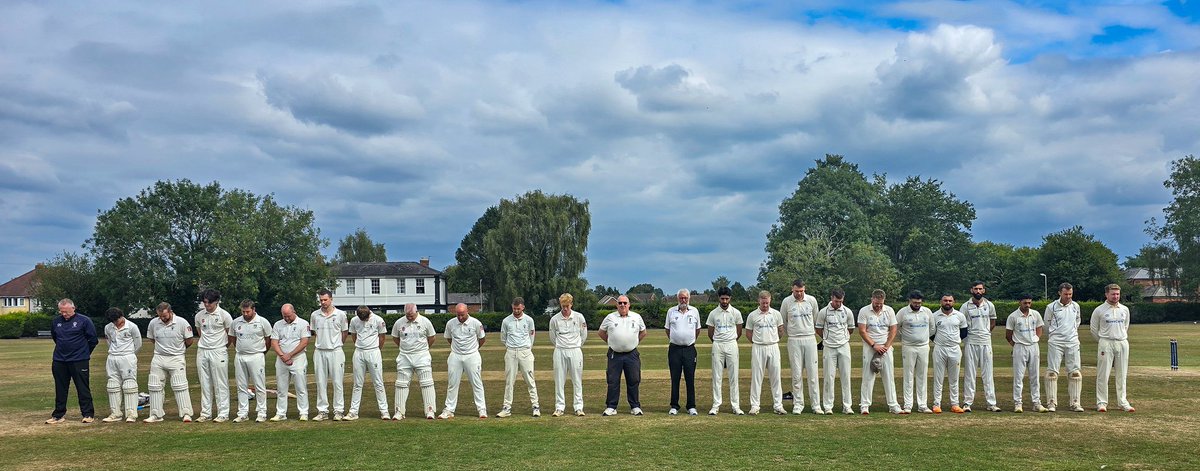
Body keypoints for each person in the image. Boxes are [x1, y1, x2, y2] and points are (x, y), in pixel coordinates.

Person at [47, 298, 98, 424]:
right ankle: (58, 415)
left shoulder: (84, 321)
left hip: (79, 360)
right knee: (60, 388)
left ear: (73, 308)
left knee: (82, 387)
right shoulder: (56, 322)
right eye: (62, 311)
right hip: (59, 360)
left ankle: (88, 414)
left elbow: (93, 340)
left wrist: (84, 353)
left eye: (66, 311)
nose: (64, 314)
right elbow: (55, 337)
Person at [143, 302, 195, 423]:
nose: (162, 318)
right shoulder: (154, 323)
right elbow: (151, 338)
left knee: (180, 385)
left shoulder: (181, 322)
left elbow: (189, 340)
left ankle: (186, 413)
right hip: (159, 357)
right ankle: (156, 414)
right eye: (160, 316)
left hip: (176, 357)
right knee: (154, 385)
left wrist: (178, 350)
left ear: (170, 312)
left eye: (165, 316)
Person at [599, 295, 647, 416]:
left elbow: (643, 332)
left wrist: (633, 343)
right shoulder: (610, 317)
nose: (622, 305)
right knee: (613, 381)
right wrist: (612, 343)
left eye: (625, 303)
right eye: (620, 303)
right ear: (617, 305)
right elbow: (601, 332)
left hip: (632, 355)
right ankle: (611, 406)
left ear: (629, 304)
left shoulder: (637, 317)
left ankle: (635, 406)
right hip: (615, 355)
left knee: (634, 380)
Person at [439, 303, 487, 419]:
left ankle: (482, 409)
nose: (460, 318)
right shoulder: (451, 323)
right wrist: (457, 349)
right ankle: (449, 409)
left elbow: (482, 339)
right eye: (458, 315)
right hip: (455, 356)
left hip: (472, 356)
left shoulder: (476, 323)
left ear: (467, 312)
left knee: (476, 383)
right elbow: (449, 338)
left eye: (462, 315)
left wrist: (472, 350)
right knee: (452, 383)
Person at [1091, 283, 1134, 412]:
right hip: (1106, 342)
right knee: (1103, 374)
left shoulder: (1124, 309)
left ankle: (1123, 402)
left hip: (1122, 342)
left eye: (1117, 294)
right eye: (1113, 294)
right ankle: (1102, 402)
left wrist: (1119, 336)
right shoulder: (1099, 310)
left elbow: (1126, 326)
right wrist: (1103, 341)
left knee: (1122, 373)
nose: (1115, 296)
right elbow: (1093, 329)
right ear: (1106, 294)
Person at [782, 279, 822, 415]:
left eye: (801, 291)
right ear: (792, 289)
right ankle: (798, 404)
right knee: (796, 373)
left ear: (805, 289)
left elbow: (816, 319)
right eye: (796, 291)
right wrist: (793, 334)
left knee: (813, 374)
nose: (799, 294)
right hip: (794, 340)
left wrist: (808, 332)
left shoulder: (811, 300)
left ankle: (816, 405)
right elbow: (784, 322)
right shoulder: (786, 302)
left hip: (810, 338)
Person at [230, 300, 273, 423]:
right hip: (240, 356)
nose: (245, 314)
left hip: (256, 356)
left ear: (253, 310)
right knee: (241, 386)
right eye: (243, 311)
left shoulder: (262, 322)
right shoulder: (236, 322)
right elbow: (233, 338)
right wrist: (241, 349)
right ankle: (243, 413)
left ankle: (262, 412)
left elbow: (268, 339)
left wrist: (261, 352)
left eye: (248, 311)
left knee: (259, 385)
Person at [392, 303, 437, 420]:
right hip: (404, 356)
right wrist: (405, 349)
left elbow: (432, 337)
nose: (409, 317)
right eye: (407, 315)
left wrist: (423, 349)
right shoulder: (399, 322)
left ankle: (430, 410)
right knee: (401, 384)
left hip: (422, 355)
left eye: (411, 315)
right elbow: (395, 338)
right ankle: (399, 411)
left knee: (427, 382)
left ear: (416, 312)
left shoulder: (425, 321)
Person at [1044, 282, 1085, 412]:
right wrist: (1055, 334)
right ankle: (1051, 403)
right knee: (1052, 373)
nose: (1068, 296)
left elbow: (1077, 321)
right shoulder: (1051, 307)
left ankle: (1075, 403)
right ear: (1059, 293)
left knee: (1075, 373)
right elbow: (1046, 324)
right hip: (1056, 342)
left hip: (1072, 342)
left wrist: (1071, 332)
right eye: (1066, 294)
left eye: (1070, 294)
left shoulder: (1076, 306)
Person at [194, 289, 233, 423]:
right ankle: (206, 413)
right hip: (203, 350)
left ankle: (223, 413)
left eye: (209, 303)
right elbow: (200, 332)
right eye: (205, 302)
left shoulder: (224, 315)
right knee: (205, 383)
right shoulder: (199, 316)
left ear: (216, 301)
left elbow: (230, 335)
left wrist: (221, 347)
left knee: (220, 383)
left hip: (219, 350)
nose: (207, 305)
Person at [858, 289, 900, 415]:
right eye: (876, 303)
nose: (878, 306)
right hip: (870, 347)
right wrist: (874, 345)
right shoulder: (864, 311)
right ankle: (864, 405)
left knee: (889, 376)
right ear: (872, 299)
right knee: (868, 376)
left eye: (881, 303)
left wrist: (886, 346)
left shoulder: (889, 310)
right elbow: (862, 331)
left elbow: (893, 330)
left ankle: (893, 405)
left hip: (886, 348)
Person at [497, 297, 541, 418]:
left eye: (518, 308)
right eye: (514, 308)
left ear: (523, 307)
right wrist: (511, 347)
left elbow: (531, 336)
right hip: (511, 352)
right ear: (512, 307)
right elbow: (503, 338)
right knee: (509, 381)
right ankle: (506, 408)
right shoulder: (506, 321)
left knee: (530, 380)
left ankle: (535, 406)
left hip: (525, 352)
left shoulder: (529, 320)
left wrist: (526, 348)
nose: (516, 311)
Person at [961, 281, 1001, 412]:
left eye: (980, 289)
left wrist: (985, 332)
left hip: (985, 342)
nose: (978, 291)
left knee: (988, 373)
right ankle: (967, 403)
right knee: (970, 373)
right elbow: (962, 324)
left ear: (983, 291)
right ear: (971, 290)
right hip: (971, 342)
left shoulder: (989, 305)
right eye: (976, 289)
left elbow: (993, 321)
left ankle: (991, 403)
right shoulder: (965, 306)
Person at [310, 288, 348, 421]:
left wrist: (336, 344)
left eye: (325, 300)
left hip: (336, 351)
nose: (323, 302)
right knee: (320, 382)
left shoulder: (341, 314)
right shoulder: (315, 315)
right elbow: (315, 333)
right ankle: (322, 411)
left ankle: (338, 411)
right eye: (321, 300)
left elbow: (344, 333)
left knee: (337, 382)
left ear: (331, 299)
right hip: (320, 351)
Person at [745, 291, 786, 415]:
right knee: (757, 377)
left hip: (773, 346)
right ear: (759, 301)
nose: (765, 305)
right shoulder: (752, 315)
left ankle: (778, 405)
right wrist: (758, 342)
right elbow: (748, 333)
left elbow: (780, 330)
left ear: (770, 300)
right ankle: (755, 406)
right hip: (758, 347)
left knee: (776, 377)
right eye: (763, 303)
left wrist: (773, 340)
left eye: (767, 302)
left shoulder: (776, 314)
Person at [815, 288, 856, 415]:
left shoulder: (847, 311)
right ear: (831, 298)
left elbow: (851, 328)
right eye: (836, 301)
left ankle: (847, 406)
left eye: (840, 301)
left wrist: (842, 339)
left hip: (844, 346)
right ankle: (828, 406)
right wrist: (827, 339)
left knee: (846, 376)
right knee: (829, 377)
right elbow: (818, 329)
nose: (838, 303)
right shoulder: (824, 312)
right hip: (829, 347)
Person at [705, 287, 744, 415]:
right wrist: (718, 341)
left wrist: (731, 340)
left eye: (727, 299)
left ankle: (736, 406)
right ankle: (716, 405)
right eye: (722, 299)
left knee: (734, 376)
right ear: (719, 298)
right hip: (718, 344)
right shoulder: (713, 313)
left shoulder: (736, 313)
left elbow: (739, 331)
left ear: (730, 298)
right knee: (717, 376)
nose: (725, 301)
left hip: (732, 344)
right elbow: (710, 332)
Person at [346, 306, 389, 420]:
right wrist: (361, 346)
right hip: (359, 352)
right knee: (357, 384)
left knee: (378, 383)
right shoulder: (355, 320)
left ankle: (384, 411)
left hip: (374, 352)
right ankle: (353, 412)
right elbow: (354, 336)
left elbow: (382, 337)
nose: (363, 320)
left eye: (364, 318)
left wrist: (375, 349)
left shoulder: (378, 320)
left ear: (369, 313)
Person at [1006, 295, 1047, 413]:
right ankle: (1018, 403)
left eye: (1029, 303)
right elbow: (1008, 335)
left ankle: (1036, 402)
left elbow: (1039, 328)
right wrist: (1016, 345)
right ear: (1020, 302)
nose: (1027, 305)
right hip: (1019, 347)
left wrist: (1036, 338)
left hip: (1034, 347)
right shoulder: (1013, 316)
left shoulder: (1035, 314)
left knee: (1035, 376)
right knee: (1018, 377)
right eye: (1025, 303)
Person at [548, 293, 587, 417]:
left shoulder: (579, 317)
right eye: (563, 306)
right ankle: (559, 407)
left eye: (567, 306)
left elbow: (583, 335)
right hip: (560, 350)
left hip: (575, 350)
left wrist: (576, 345)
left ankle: (578, 407)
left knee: (577, 380)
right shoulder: (554, 319)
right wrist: (561, 345)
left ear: (571, 304)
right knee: (559, 380)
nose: (565, 309)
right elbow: (552, 337)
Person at [270, 303, 310, 421]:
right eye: (284, 316)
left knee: (300, 387)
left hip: (298, 359)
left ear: (294, 312)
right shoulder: (278, 324)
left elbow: (304, 342)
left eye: (288, 316)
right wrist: (283, 355)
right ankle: (281, 413)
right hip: (282, 359)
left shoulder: (303, 323)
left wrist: (290, 355)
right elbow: (274, 342)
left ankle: (303, 412)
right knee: (281, 388)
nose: (286, 318)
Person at [102, 307, 141, 423]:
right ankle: (116, 414)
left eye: (116, 320)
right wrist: (115, 353)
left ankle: (131, 414)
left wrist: (129, 354)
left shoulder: (132, 326)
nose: (114, 323)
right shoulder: (108, 327)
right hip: (112, 357)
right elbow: (109, 342)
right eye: (112, 321)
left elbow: (138, 344)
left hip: (127, 357)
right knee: (112, 385)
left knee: (129, 384)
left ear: (121, 316)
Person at [665, 289, 701, 416]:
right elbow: (668, 330)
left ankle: (691, 406)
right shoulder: (671, 311)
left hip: (689, 350)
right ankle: (674, 406)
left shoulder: (694, 311)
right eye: (681, 298)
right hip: (674, 349)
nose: (683, 300)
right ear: (677, 299)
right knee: (675, 378)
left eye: (685, 298)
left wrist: (688, 340)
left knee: (690, 378)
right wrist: (677, 339)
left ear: (689, 298)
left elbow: (697, 330)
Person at [897, 290, 933, 415]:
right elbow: (896, 328)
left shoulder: (927, 312)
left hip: (923, 347)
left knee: (922, 375)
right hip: (908, 347)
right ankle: (908, 405)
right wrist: (904, 340)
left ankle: (922, 405)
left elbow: (932, 328)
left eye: (919, 303)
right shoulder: (903, 312)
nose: (917, 305)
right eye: (914, 302)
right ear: (909, 301)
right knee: (908, 375)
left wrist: (924, 339)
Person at [931, 293, 968, 414]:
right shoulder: (935, 316)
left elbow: (963, 332)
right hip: (939, 349)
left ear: (954, 302)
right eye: (945, 300)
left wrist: (953, 341)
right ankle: (936, 404)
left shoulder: (959, 316)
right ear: (941, 302)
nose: (947, 303)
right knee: (938, 377)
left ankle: (955, 404)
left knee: (954, 378)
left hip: (955, 349)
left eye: (950, 301)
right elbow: (931, 333)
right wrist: (940, 340)